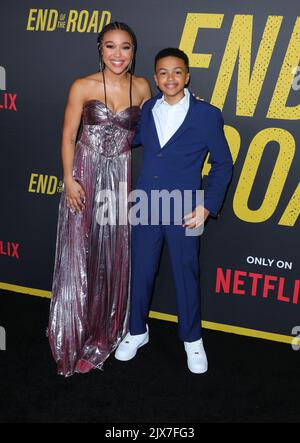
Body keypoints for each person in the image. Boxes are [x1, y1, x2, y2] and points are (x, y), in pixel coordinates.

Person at [115, 48, 233, 374]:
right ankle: (137, 331)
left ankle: (192, 339)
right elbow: (129, 140)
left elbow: (223, 164)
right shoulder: (148, 108)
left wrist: (207, 206)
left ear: (187, 76)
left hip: (187, 209)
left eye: (177, 72)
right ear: (155, 78)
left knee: (186, 273)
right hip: (146, 205)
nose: (170, 78)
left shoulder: (207, 115)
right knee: (140, 271)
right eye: (163, 73)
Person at [47, 22, 151, 377]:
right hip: (85, 174)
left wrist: (185, 103)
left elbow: (155, 126)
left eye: (125, 48)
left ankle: (102, 332)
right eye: (110, 47)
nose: (118, 55)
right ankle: (72, 331)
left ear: (133, 52)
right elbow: (67, 134)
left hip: (119, 179)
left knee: (110, 255)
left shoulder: (141, 87)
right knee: (80, 252)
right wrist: (68, 179)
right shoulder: (83, 85)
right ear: (99, 49)